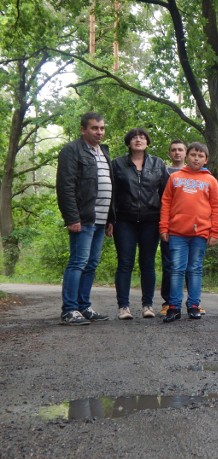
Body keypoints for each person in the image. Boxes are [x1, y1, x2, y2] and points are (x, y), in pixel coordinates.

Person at [56, 112, 113, 325]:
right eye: (94, 128)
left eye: (102, 128)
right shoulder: (72, 150)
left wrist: (110, 219)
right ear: (83, 129)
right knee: (78, 262)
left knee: (91, 264)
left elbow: (110, 186)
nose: (99, 132)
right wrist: (72, 217)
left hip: (101, 219)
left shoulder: (104, 152)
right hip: (83, 218)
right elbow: (65, 186)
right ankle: (69, 310)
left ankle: (83, 306)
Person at [159, 142, 218, 323]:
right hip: (177, 233)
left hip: (200, 233)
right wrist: (164, 227)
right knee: (176, 269)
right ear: (187, 156)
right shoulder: (175, 177)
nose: (196, 158)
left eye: (200, 156)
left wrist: (214, 232)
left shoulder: (210, 180)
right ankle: (173, 307)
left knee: (194, 269)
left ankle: (194, 305)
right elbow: (166, 203)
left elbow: (217, 208)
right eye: (193, 154)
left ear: (206, 159)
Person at [111, 128, 169, 320]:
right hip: (124, 221)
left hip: (151, 221)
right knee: (125, 263)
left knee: (147, 263)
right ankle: (124, 307)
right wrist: (110, 220)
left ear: (147, 142)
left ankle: (147, 305)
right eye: (134, 137)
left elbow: (167, 195)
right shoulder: (118, 164)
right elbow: (112, 194)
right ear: (128, 142)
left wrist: (165, 222)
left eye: (142, 137)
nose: (138, 140)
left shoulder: (158, 164)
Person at [159, 139, 188, 315]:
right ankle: (168, 301)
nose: (177, 153)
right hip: (168, 224)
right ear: (169, 153)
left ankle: (192, 302)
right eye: (174, 150)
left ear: (186, 153)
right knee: (169, 263)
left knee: (190, 265)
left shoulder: (194, 172)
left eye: (180, 150)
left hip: (190, 226)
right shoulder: (163, 172)